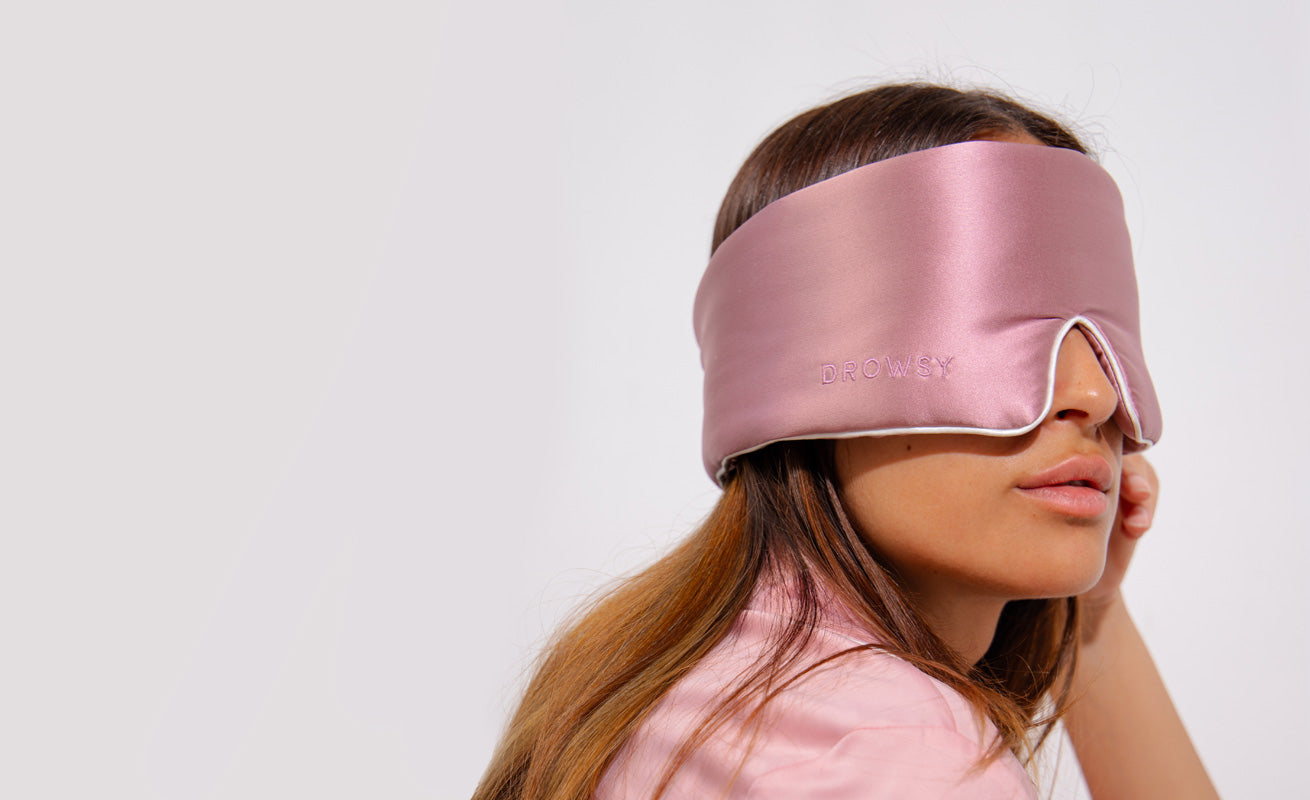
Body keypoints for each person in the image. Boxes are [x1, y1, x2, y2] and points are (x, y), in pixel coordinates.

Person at [472, 82, 1220, 800]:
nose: (1097, 396)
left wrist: (1090, 616)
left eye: (1102, 336)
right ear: (799, 372)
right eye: (999, 323)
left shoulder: (662, 689)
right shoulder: (905, 762)